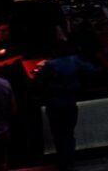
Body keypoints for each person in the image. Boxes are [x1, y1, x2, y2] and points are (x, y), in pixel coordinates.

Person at [37, 40, 98, 171]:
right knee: (69, 134)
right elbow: (92, 69)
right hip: (70, 102)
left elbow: (39, 78)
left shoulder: (51, 65)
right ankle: (69, 162)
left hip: (54, 104)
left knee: (58, 134)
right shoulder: (74, 61)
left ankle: (63, 162)